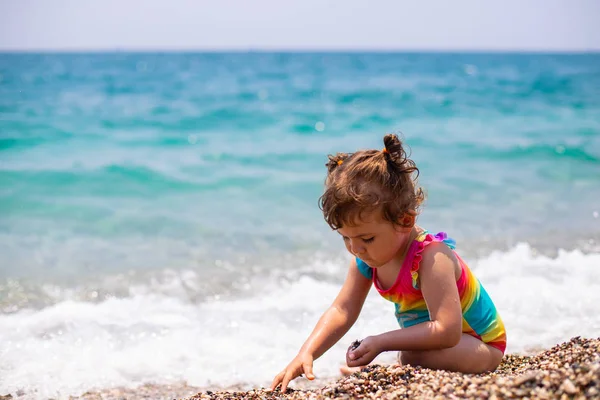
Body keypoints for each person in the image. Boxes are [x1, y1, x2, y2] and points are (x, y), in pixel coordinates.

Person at [270, 133, 507, 393]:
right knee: (411, 355)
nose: (355, 248)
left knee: (410, 356)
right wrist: (307, 353)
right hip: (440, 346)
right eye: (345, 238)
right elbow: (343, 310)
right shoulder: (366, 259)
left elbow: (447, 331)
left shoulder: (431, 258)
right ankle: (391, 364)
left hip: (479, 345)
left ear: (405, 221)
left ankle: (391, 365)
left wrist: (382, 342)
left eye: (367, 238)